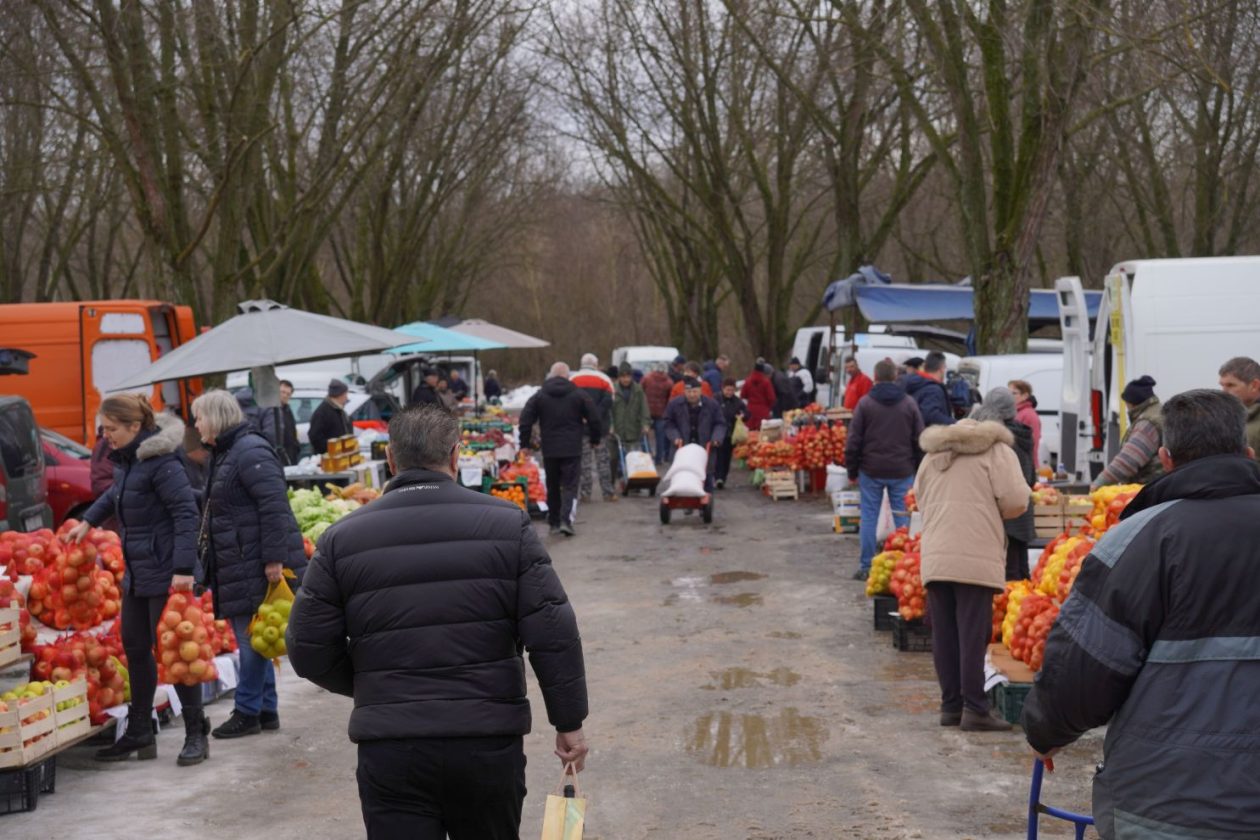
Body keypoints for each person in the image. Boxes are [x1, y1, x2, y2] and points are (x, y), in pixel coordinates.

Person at [286, 404, 589, 840]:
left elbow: (307, 647)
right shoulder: (508, 525)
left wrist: (377, 683)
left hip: (391, 748)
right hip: (485, 743)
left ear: (391, 460)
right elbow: (552, 633)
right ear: (455, 455)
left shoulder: (340, 538)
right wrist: (569, 722)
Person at [1022, 389, 1260, 839]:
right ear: (1248, 454)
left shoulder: (1141, 541)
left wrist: (1046, 729)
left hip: (1170, 803)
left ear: (1166, 460)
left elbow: (1085, 666)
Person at [65, 395, 205, 765]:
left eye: (111, 429)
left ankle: (196, 733)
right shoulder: (130, 462)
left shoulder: (162, 463)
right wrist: (88, 521)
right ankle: (140, 731)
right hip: (139, 571)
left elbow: (185, 515)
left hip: (167, 573)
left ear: (134, 427)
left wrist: (184, 570)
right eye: (104, 429)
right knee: (136, 646)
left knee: (176, 653)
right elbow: (116, 494)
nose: (106, 436)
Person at [191, 390, 307, 741]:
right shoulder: (228, 452)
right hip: (240, 557)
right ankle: (266, 708)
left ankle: (246, 711)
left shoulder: (249, 450)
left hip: (253, 559)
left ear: (214, 418)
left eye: (198, 418)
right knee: (256, 635)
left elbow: (274, 505)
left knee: (250, 640)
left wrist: (274, 558)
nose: (195, 425)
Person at [915, 416, 1029, 732]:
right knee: (972, 633)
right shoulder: (996, 451)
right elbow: (1017, 501)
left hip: (937, 555)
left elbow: (920, 498)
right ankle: (975, 708)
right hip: (975, 554)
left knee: (945, 633)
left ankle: (950, 706)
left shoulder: (932, 455)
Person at [845, 360, 924, 580]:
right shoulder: (908, 403)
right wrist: (918, 469)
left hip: (871, 470)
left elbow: (853, 441)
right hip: (902, 469)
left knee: (869, 517)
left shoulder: (865, 404)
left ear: (875, 377)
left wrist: (852, 469)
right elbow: (920, 438)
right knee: (903, 519)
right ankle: (906, 565)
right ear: (896, 376)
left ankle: (866, 566)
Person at [519, 362, 601, 536]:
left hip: (550, 449)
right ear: (567, 375)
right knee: (570, 485)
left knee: (553, 484)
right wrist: (595, 439)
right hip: (572, 448)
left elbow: (525, 419)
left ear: (551, 375)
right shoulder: (579, 395)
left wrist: (525, 444)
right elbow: (594, 418)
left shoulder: (540, 396)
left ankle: (554, 522)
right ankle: (565, 520)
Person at [972, 388, 1036, 580]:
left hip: (1003, 514)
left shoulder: (997, 439)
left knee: (1006, 575)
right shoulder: (1023, 434)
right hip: (1023, 512)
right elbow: (1031, 478)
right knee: (1020, 573)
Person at [1091, 375, 1163, 489]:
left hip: (1150, 489)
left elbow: (1127, 461)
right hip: (1161, 486)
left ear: (1132, 403)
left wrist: (1098, 484)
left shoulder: (1148, 424)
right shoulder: (1159, 411)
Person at [663, 377, 726, 492]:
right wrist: (675, 437)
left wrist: (716, 438)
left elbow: (720, 424)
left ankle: (706, 501)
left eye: (695, 391)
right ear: (684, 392)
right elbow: (668, 423)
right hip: (682, 446)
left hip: (704, 445)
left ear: (700, 391)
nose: (692, 395)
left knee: (705, 475)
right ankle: (684, 497)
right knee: (682, 473)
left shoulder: (712, 405)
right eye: (689, 392)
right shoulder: (675, 404)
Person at [571, 353, 616, 502]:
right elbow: (610, 400)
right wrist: (595, 414)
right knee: (603, 461)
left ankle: (585, 494)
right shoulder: (604, 379)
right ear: (596, 364)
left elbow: (569, 402)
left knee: (584, 463)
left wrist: (583, 414)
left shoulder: (573, 379)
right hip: (600, 428)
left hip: (581, 428)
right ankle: (608, 492)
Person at [1218, 356, 1260, 457]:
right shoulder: (1223, 419)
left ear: (1255, 385)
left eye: (1231, 385)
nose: (1223, 392)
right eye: (1222, 385)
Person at [904, 351, 955, 427]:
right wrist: (954, 423)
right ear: (942, 368)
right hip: (928, 435)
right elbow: (930, 415)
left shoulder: (914, 382)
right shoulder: (933, 389)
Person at [611, 361, 652, 457]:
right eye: (623, 377)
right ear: (619, 377)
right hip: (617, 431)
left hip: (634, 430)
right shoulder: (613, 390)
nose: (626, 379)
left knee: (634, 458)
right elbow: (609, 410)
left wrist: (645, 424)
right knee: (614, 459)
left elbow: (644, 408)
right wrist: (610, 425)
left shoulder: (638, 390)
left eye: (628, 377)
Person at [308, 379, 354, 456]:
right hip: (330, 458)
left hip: (341, 455)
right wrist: (332, 448)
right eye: (345, 394)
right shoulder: (322, 412)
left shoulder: (339, 410)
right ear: (340, 395)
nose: (346, 397)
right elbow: (314, 436)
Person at [715, 379, 747, 489]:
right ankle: (717, 477)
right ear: (722, 388)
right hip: (717, 433)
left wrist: (743, 416)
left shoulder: (737, 401)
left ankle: (723, 478)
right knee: (718, 456)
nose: (729, 392)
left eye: (732, 390)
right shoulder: (716, 399)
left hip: (730, 433)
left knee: (727, 457)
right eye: (727, 390)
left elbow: (746, 413)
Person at [641, 364, 675, 465]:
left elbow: (640, 391)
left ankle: (646, 455)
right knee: (660, 438)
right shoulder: (669, 382)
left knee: (644, 435)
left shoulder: (646, 378)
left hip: (646, 412)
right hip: (661, 413)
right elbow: (670, 399)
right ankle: (659, 459)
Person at [1007, 379, 1041, 466]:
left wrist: (1031, 466)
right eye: (1008, 393)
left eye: (1014, 393)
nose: (1010, 396)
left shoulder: (1029, 414)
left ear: (1025, 396)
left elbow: (1034, 443)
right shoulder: (1015, 412)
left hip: (1025, 463)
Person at [740, 361, 777, 430]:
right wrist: (769, 407)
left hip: (750, 411)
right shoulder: (766, 382)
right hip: (763, 411)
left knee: (750, 435)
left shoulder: (748, 381)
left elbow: (743, 395)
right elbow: (772, 398)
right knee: (762, 435)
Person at [278, 380, 301, 465]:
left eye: (288, 394)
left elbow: (292, 429)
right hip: (279, 455)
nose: (285, 396)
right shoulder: (271, 411)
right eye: (282, 392)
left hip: (291, 453)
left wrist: (296, 446)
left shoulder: (287, 409)